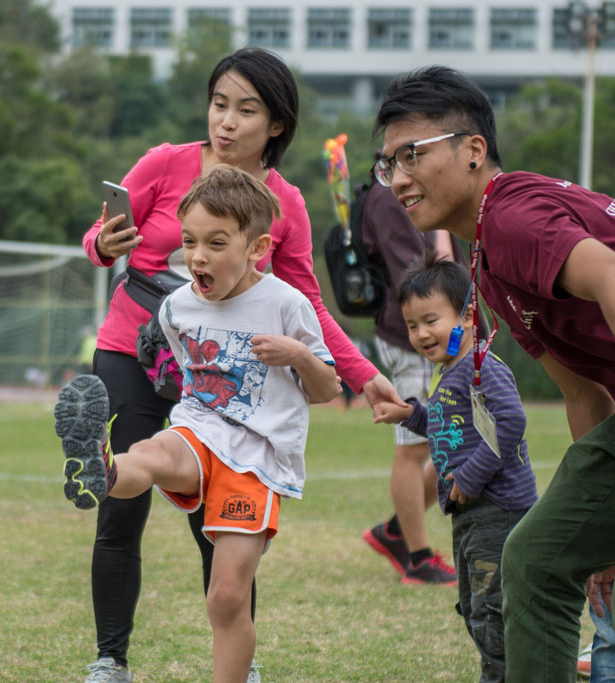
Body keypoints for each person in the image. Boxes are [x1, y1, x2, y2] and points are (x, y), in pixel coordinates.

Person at [77, 47, 401, 682]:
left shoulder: (285, 204)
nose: (225, 122)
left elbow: (306, 302)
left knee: (221, 521)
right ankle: (109, 661)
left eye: (245, 110)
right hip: (135, 344)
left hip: (224, 377)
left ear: (276, 124)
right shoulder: (165, 163)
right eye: (219, 104)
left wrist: (363, 374)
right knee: (120, 501)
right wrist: (100, 242)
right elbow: (100, 235)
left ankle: (236, 666)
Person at [372, 65, 615, 681]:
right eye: (388, 164)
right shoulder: (483, 258)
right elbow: (583, 389)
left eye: (412, 155)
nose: (398, 178)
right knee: (536, 560)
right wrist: (596, 534)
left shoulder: (511, 217)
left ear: (473, 151)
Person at [57, 165, 340, 683]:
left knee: (227, 599)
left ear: (256, 248)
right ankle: (101, 467)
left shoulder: (286, 304)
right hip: (199, 427)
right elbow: (187, 376)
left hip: (256, 457)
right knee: (150, 452)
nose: (197, 257)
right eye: (189, 242)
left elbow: (327, 389)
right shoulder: (177, 307)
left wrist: (298, 354)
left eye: (215, 243)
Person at [374, 253, 537, 681]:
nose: (421, 334)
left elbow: (511, 424)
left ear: (467, 315)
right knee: (473, 604)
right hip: (469, 514)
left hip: (497, 510)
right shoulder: (450, 371)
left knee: (490, 607)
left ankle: (502, 675)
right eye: (412, 325)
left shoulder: (480, 369)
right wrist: (407, 415)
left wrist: (468, 477)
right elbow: (449, 431)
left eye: (431, 320)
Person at [359, 172, 461, 585]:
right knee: (416, 448)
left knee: (450, 442)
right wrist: (443, 331)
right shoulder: (389, 194)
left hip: (434, 331)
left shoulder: (412, 187)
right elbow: (413, 277)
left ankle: (397, 530)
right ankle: (417, 557)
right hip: (414, 336)